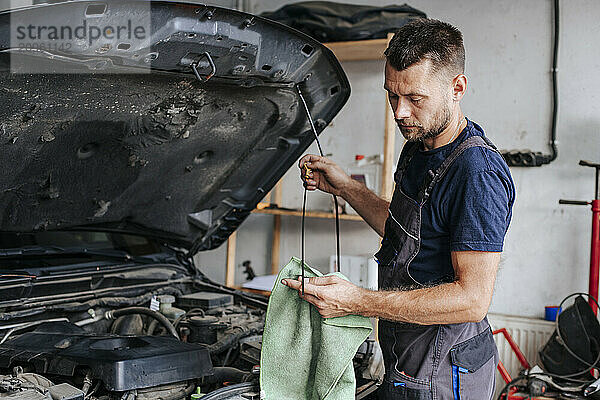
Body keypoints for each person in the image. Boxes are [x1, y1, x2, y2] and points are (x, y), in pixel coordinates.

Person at [282, 18, 516, 400]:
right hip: (406, 356)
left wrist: (357, 301)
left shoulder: (477, 172)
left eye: (415, 99)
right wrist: (346, 189)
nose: (400, 112)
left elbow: (473, 299)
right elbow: (405, 231)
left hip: (446, 372)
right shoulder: (417, 146)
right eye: (392, 95)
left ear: (457, 88)